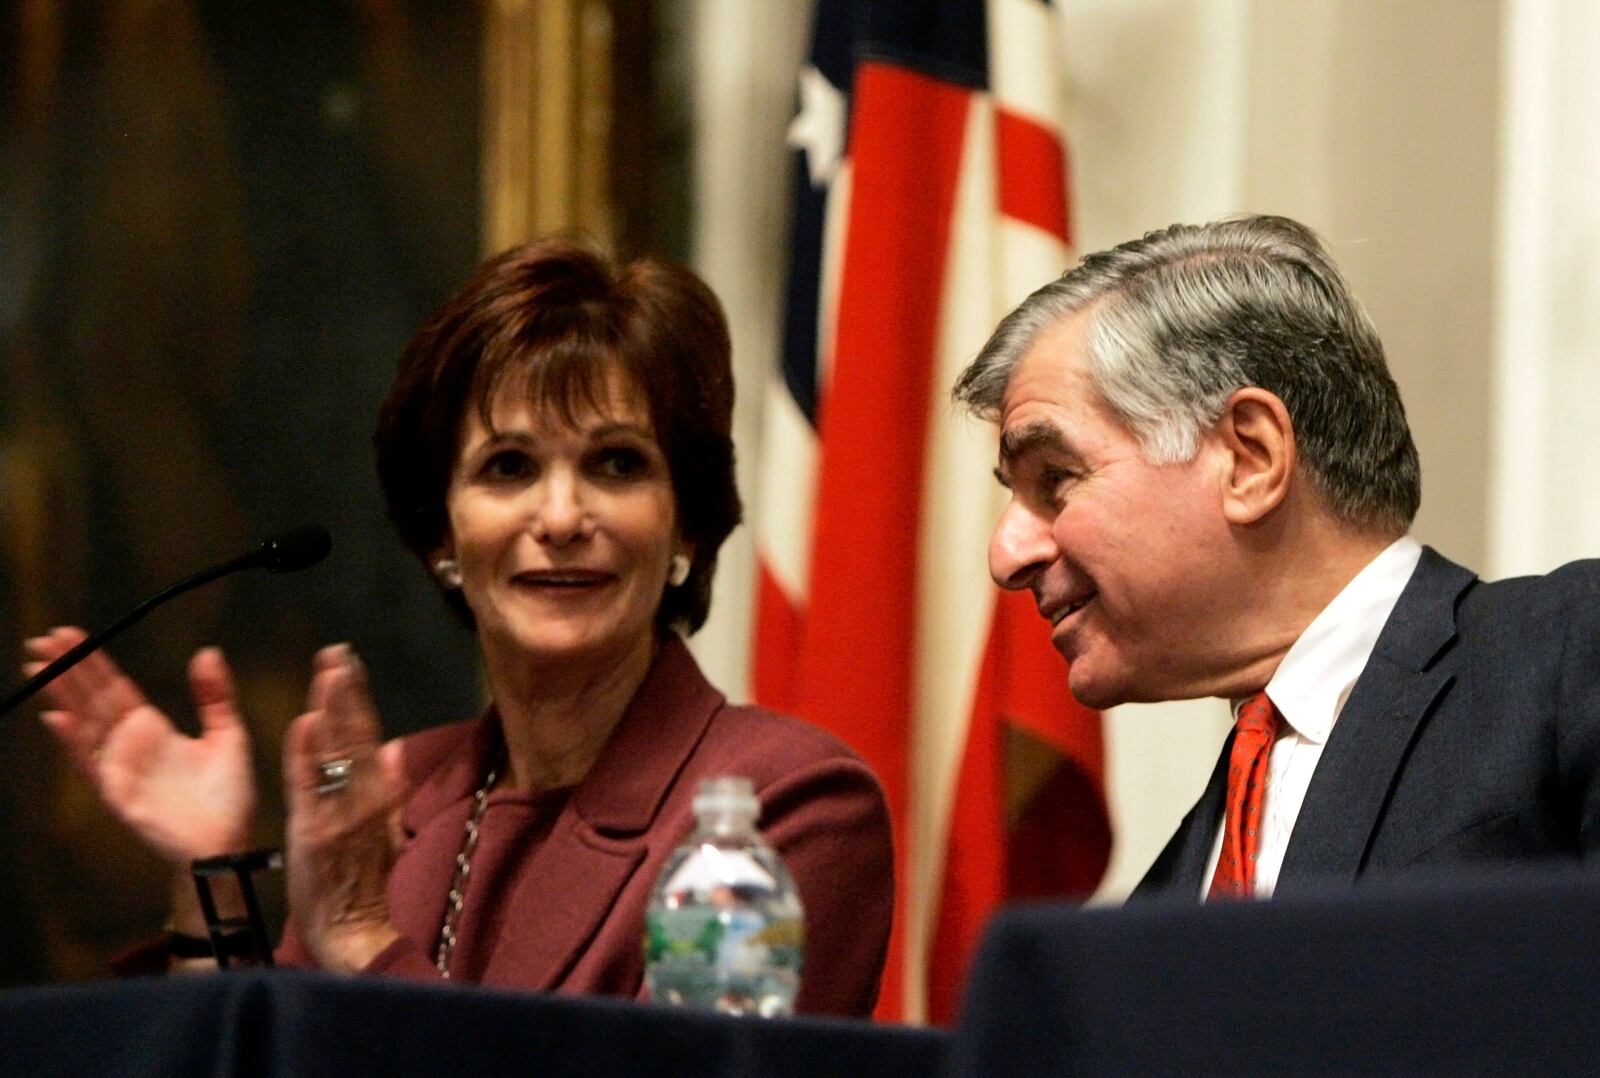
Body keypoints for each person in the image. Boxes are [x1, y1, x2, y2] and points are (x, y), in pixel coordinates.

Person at [23, 239, 894, 1013]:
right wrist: (207, 873)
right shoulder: (394, 798)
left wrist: (365, 939)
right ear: (440, 534)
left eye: (616, 464)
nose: (560, 516)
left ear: (687, 524)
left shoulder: (786, 807)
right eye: (509, 468)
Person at [951, 213, 1600, 902]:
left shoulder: (1566, 656)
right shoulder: (1164, 896)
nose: (1006, 553)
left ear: (1250, 460)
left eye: (1056, 478)